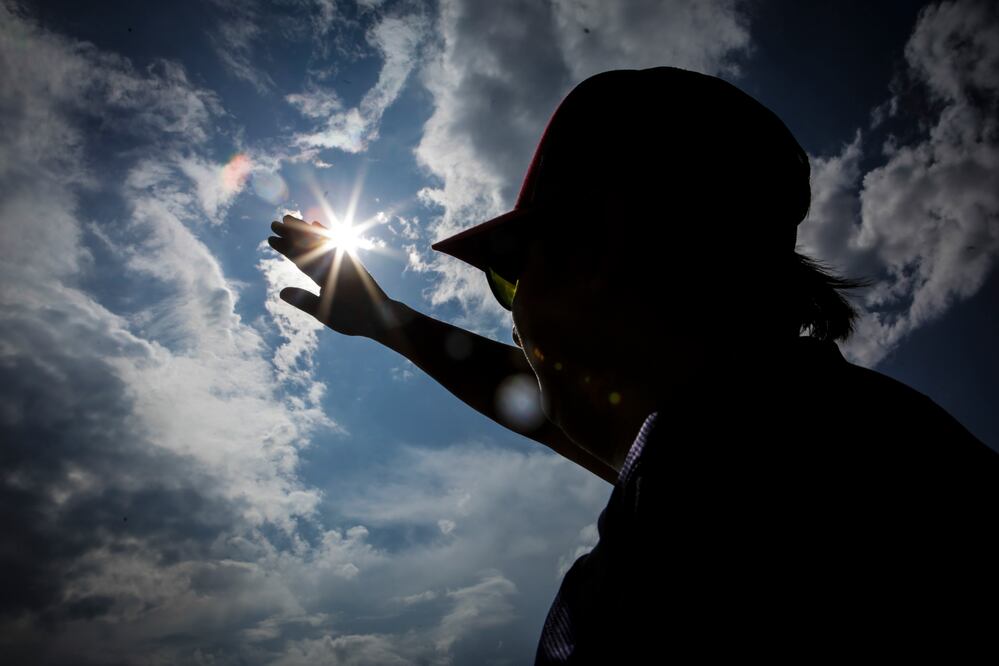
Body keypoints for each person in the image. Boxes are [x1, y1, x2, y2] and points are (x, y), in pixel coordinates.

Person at [268, 66, 999, 661]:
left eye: (512, 277)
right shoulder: (804, 437)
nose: (515, 314)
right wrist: (387, 322)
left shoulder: (730, 499)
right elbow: (550, 408)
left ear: (603, 249)